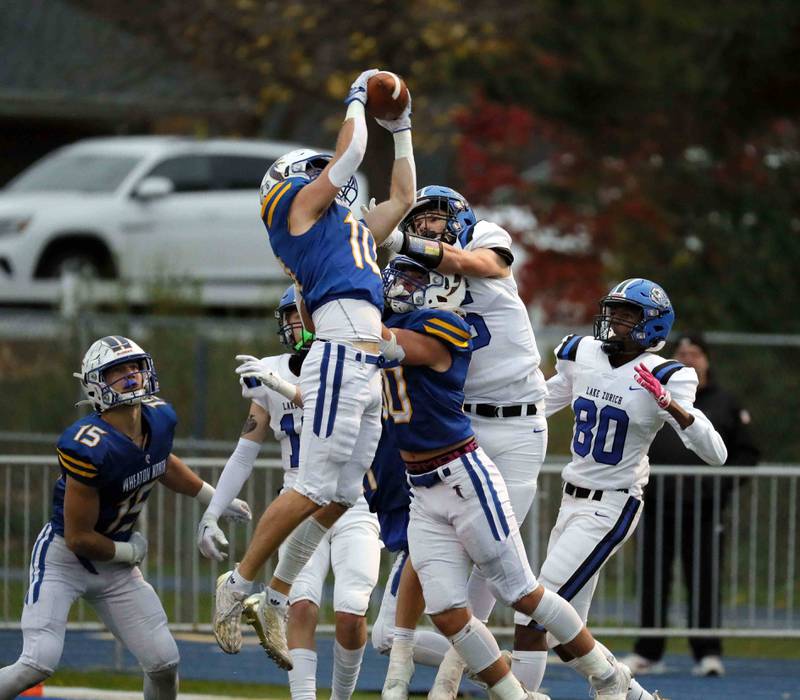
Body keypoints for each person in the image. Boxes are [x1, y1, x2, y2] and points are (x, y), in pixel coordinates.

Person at [212, 67, 417, 667]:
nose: (325, 183)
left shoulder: (346, 228)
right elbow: (351, 152)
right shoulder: (295, 216)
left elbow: (402, 199)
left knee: (344, 492)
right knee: (310, 486)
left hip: (366, 359)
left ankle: (275, 596)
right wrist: (357, 93)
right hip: (336, 348)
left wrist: (401, 128)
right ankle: (240, 582)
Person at [370, 257, 631, 700]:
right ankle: (514, 694)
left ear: (445, 291)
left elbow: (380, 339)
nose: (402, 287)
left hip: (463, 478)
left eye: (417, 280)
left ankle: (605, 671)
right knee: (448, 613)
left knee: (521, 593)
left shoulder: (441, 329)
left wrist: (339, 282)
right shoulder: (396, 319)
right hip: (423, 487)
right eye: (401, 278)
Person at [0, 336, 250, 700]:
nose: (131, 375)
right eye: (117, 371)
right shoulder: (88, 445)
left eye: (134, 366)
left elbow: (160, 462)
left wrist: (213, 498)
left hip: (114, 565)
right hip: (65, 560)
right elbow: (78, 538)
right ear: (96, 385)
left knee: (164, 663)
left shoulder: (158, 419)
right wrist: (129, 553)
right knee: (38, 662)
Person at [517, 279, 728, 700]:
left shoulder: (670, 374)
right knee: (564, 637)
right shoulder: (583, 353)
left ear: (652, 324)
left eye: (627, 314)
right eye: (613, 311)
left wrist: (672, 406)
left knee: (535, 609)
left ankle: (516, 693)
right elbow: (539, 401)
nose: (614, 321)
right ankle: (633, 694)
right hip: (570, 498)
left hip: (611, 506)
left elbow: (716, 453)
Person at [383, 186, 550, 696]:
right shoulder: (412, 277)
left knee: (499, 585)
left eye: (436, 218)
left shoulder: (483, 237)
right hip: (460, 429)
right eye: (419, 221)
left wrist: (400, 241)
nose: (428, 227)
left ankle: (605, 679)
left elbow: (479, 264)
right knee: (390, 633)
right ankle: (513, 686)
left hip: (517, 427)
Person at [197, 286, 382, 698]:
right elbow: (244, 453)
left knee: (352, 610)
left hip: (350, 505)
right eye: (292, 316)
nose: (298, 324)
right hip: (298, 498)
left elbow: (325, 404)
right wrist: (212, 510)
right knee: (302, 605)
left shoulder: (353, 364)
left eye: (304, 314)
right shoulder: (268, 371)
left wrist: (283, 388)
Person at [623, 333, 759, 678]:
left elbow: (748, 453)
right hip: (656, 504)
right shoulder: (655, 395)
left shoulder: (726, 402)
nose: (688, 358)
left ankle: (707, 652)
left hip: (704, 509)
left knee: (704, 578)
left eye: (695, 353)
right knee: (653, 578)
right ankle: (648, 652)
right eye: (682, 353)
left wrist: (721, 485)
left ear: (707, 359)